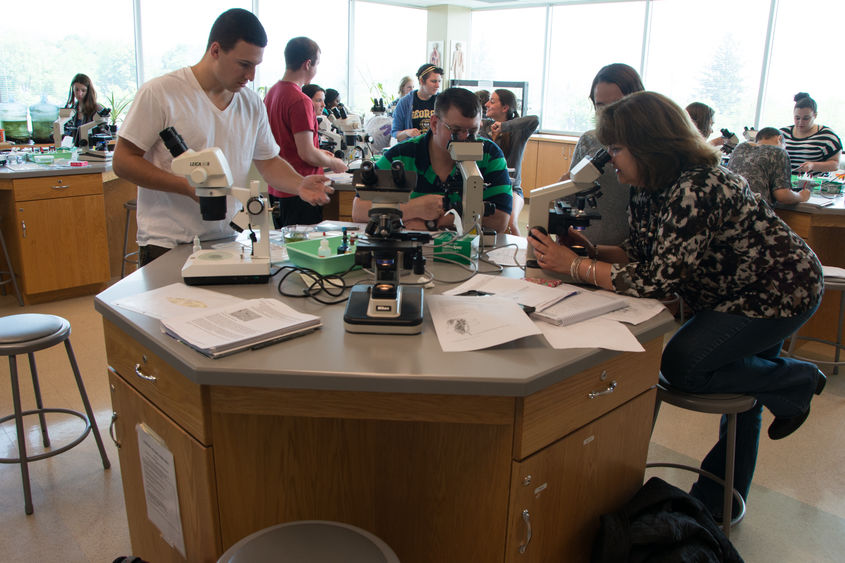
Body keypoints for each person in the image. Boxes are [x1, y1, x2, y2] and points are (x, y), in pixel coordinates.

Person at [528, 91, 825, 522]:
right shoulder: (652, 186)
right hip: (735, 291)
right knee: (752, 388)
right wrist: (594, 251)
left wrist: (576, 265)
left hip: (778, 292)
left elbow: (658, 281)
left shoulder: (697, 187)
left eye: (616, 149)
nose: (611, 161)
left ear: (649, 145)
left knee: (684, 363)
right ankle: (717, 500)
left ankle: (797, 380)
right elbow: (649, 255)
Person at [113, 9, 333, 266]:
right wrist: (185, 186)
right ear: (215, 50)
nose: (250, 76)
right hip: (168, 243)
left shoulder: (251, 103)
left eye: (255, 66)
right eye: (244, 64)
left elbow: (269, 161)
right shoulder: (161, 93)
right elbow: (123, 160)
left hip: (228, 240)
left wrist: (299, 184)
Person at [353, 87, 512, 233]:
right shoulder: (402, 155)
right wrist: (412, 208)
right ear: (435, 124)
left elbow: (500, 220)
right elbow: (359, 209)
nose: (464, 138)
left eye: (472, 132)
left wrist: (436, 222)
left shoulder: (489, 154)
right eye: (456, 131)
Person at [264, 37, 347, 227]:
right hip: (301, 189)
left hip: (278, 187)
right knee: (303, 249)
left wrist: (320, 152)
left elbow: (286, 142)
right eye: (316, 64)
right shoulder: (300, 100)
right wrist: (334, 162)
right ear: (308, 64)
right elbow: (306, 153)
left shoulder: (272, 93)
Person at [560, 63, 644, 245]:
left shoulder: (648, 149)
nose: (608, 114)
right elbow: (573, 195)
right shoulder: (589, 141)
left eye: (616, 105)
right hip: (588, 243)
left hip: (628, 252)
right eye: (600, 106)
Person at [482, 88, 538, 235]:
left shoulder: (519, 131)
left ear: (505, 108)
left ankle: (522, 258)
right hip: (485, 189)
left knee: (510, 224)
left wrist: (504, 126)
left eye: (492, 101)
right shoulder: (485, 127)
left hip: (512, 189)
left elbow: (534, 120)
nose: (487, 104)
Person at [727, 127, 811, 205]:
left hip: (729, 207)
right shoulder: (778, 151)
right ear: (779, 139)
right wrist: (802, 196)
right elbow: (782, 196)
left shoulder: (740, 148)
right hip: (754, 211)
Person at [780, 92, 843, 174]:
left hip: (813, 183)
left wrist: (813, 165)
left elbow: (835, 165)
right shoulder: (783, 133)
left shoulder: (827, 136)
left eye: (806, 118)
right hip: (783, 183)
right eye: (797, 118)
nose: (800, 122)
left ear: (815, 115)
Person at [391, 64, 443, 141]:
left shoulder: (442, 101)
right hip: (413, 149)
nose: (437, 85)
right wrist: (406, 133)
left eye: (439, 81)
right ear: (421, 81)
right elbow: (395, 133)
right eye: (433, 81)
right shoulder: (405, 102)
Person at [63, 73, 106, 141]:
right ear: (72, 89)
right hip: (74, 149)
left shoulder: (97, 109)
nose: (79, 94)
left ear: (88, 91)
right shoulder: (72, 109)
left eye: (83, 90)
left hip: (92, 149)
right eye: (77, 90)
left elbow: (105, 134)